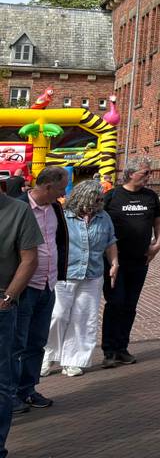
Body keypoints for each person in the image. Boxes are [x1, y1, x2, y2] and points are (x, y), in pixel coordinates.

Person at [41, 181, 116, 378]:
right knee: (58, 314)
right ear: (82, 197)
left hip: (92, 274)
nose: (98, 203)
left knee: (83, 317)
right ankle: (47, 355)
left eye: (100, 199)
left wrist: (114, 263)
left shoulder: (103, 217)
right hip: (65, 272)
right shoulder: (63, 216)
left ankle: (74, 359)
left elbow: (110, 241)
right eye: (95, 199)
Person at [11, 167, 67, 413]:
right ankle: (9, 393)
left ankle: (27, 389)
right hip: (24, 287)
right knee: (16, 343)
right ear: (47, 187)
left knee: (37, 341)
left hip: (48, 283)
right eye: (61, 188)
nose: (63, 193)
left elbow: (59, 241)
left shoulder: (55, 208)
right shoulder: (18, 207)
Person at [101, 159, 160, 368]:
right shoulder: (112, 196)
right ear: (130, 174)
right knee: (115, 303)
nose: (148, 176)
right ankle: (109, 350)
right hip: (114, 261)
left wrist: (158, 243)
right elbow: (99, 221)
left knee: (130, 305)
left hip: (140, 259)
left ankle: (122, 348)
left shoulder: (150, 196)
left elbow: (158, 221)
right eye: (145, 172)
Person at [0, 190, 41, 457]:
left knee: (1, 383)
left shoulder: (18, 211)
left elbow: (29, 260)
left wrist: (7, 298)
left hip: (1, 306)